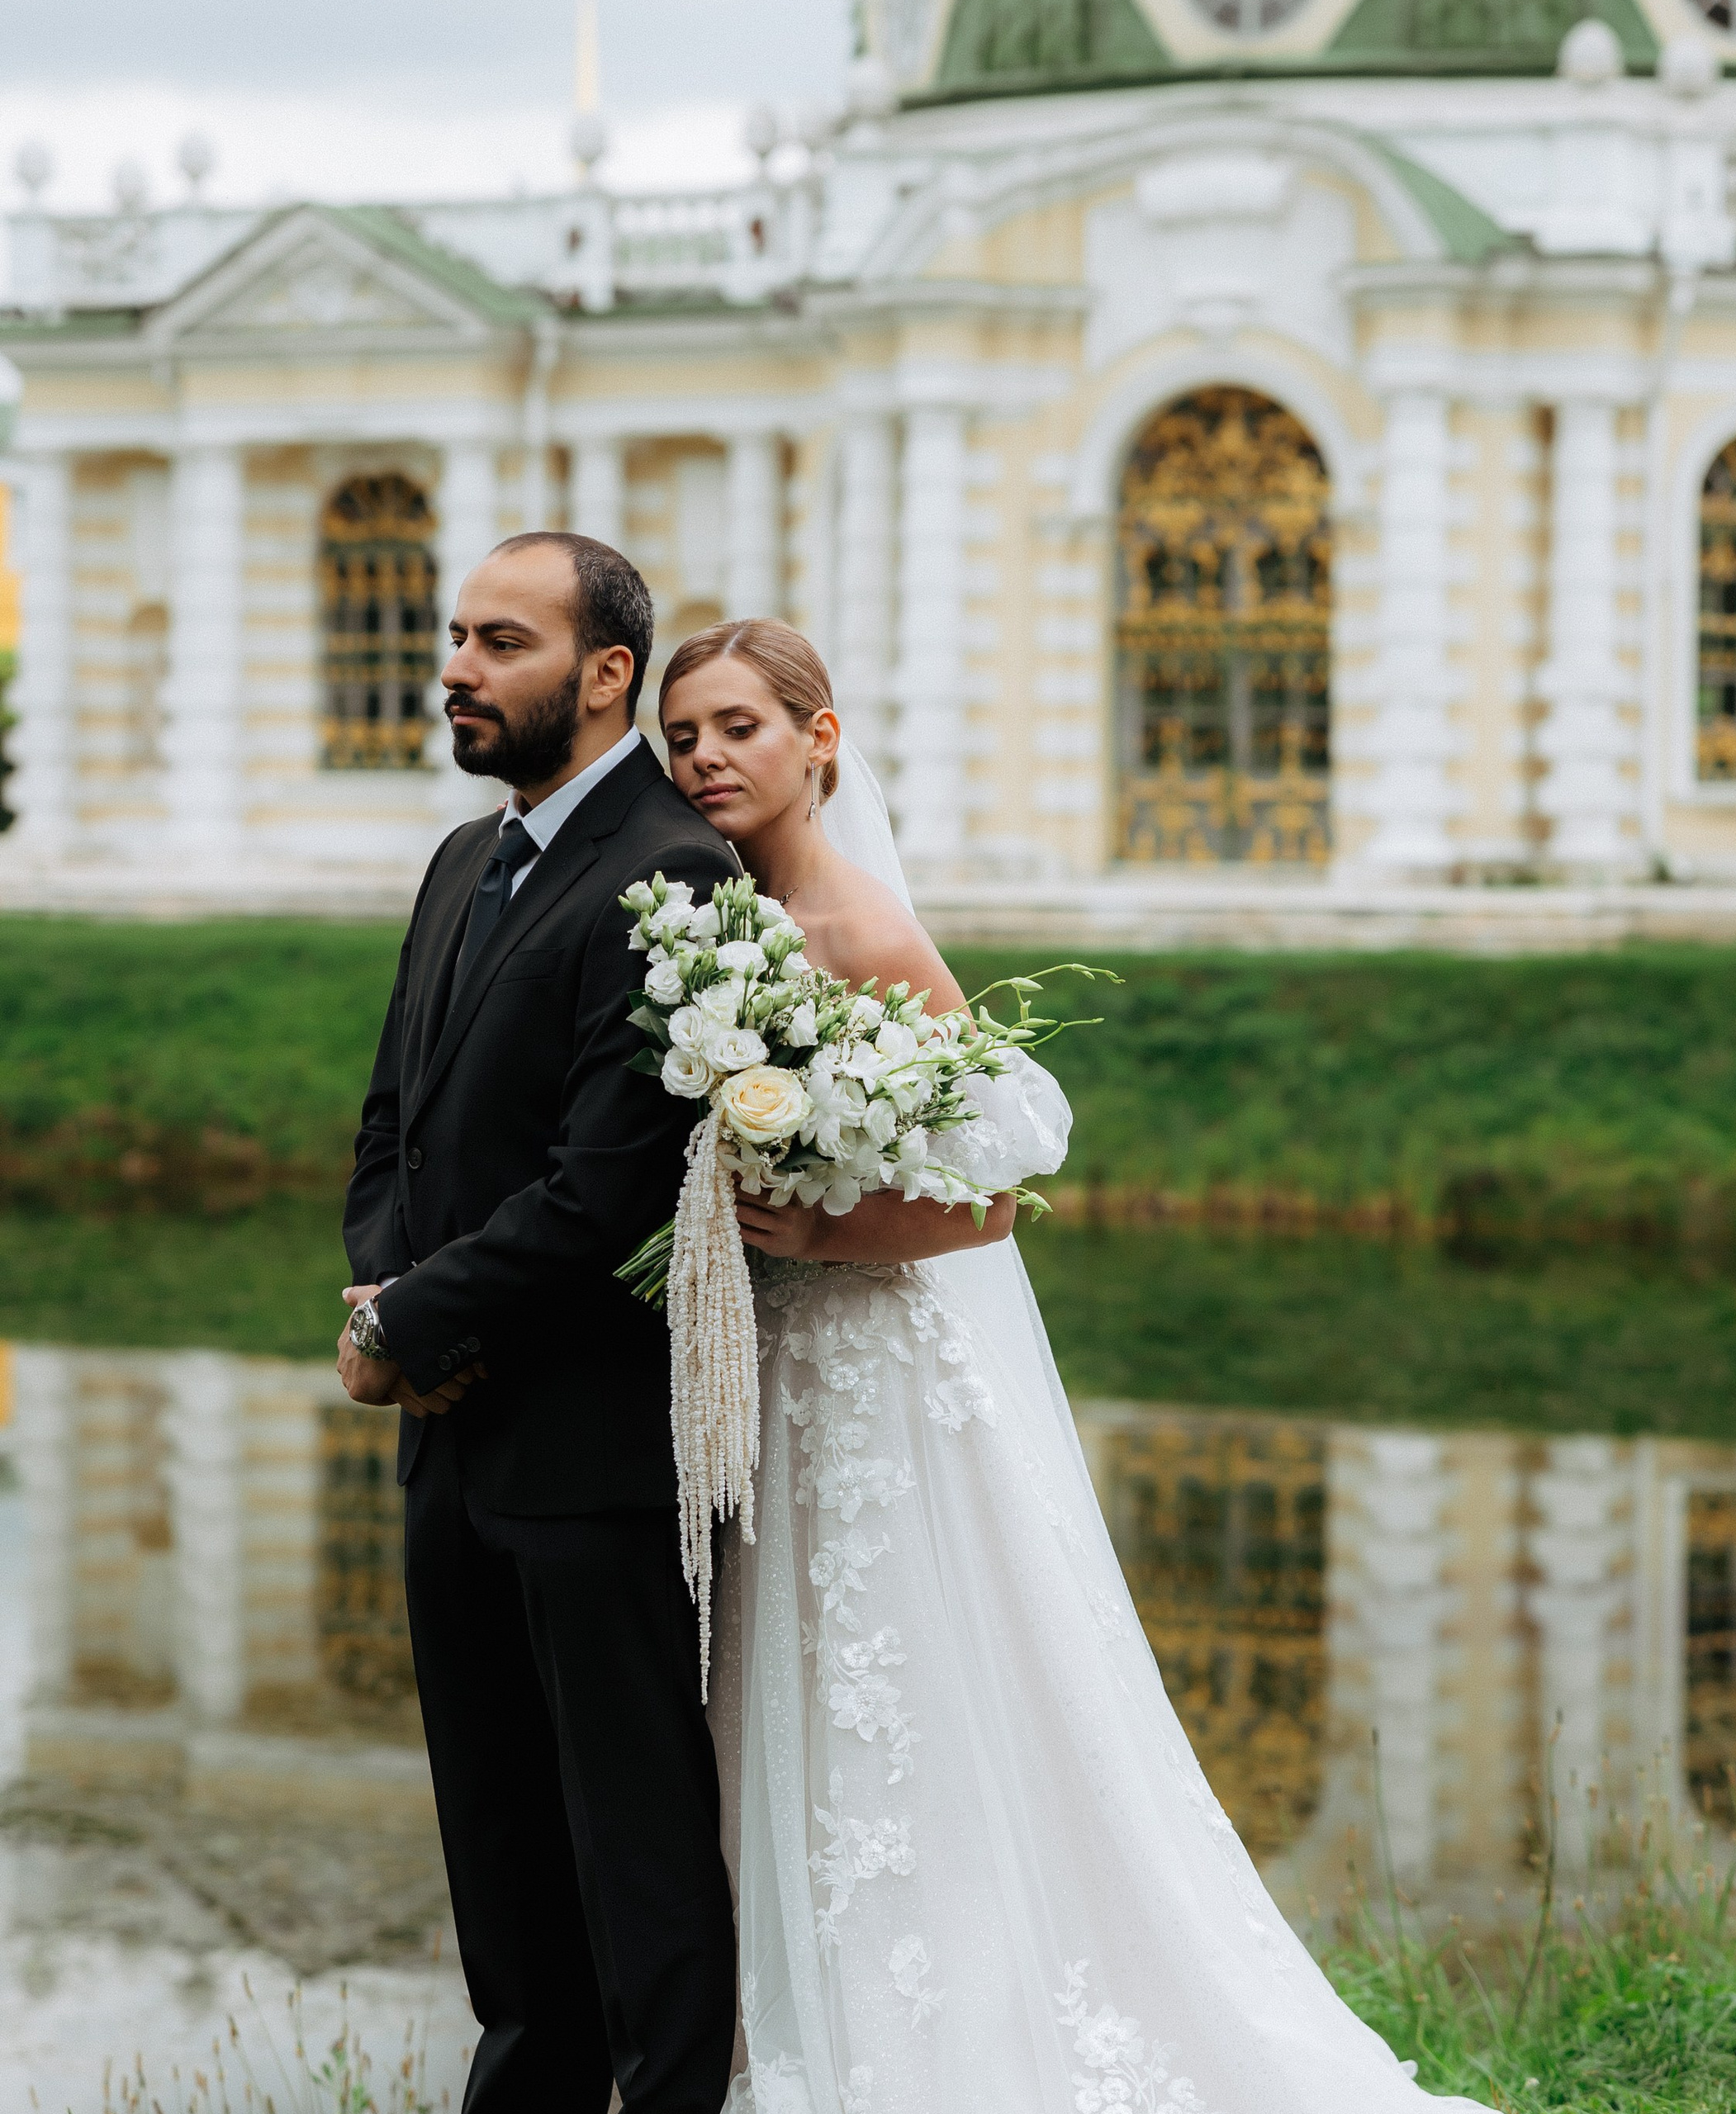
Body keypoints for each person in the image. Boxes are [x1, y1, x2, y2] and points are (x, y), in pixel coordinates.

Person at [656, 618, 1493, 2114]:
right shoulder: (712, 933)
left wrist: (832, 1236)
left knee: (900, 1686)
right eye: (685, 737)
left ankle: (934, 2037)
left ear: (818, 740)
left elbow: (994, 1184)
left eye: (737, 728)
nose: (706, 759)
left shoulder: (859, 929)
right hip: (760, 1374)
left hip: (868, 1375)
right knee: (769, 1691)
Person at [337, 533, 742, 2111]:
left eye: (498, 641)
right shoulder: (458, 862)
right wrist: (384, 1291)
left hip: (587, 1449)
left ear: (605, 675)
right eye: (454, 636)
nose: (455, 667)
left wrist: (411, 1328)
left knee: (631, 1848)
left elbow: (607, 1189)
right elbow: (394, 1129)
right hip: (450, 1443)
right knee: (494, 1837)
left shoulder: (674, 872)